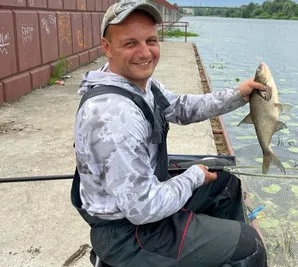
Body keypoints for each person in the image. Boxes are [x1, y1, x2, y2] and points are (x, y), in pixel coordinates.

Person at [71, 0, 269, 266]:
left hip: (143, 199)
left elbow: (182, 107)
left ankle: (210, 251)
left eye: (150, 40)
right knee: (249, 246)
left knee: (225, 185)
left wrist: (238, 95)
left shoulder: (142, 85)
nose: (145, 52)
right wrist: (193, 177)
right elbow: (144, 208)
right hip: (128, 233)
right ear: (107, 47)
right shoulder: (113, 116)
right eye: (130, 43)